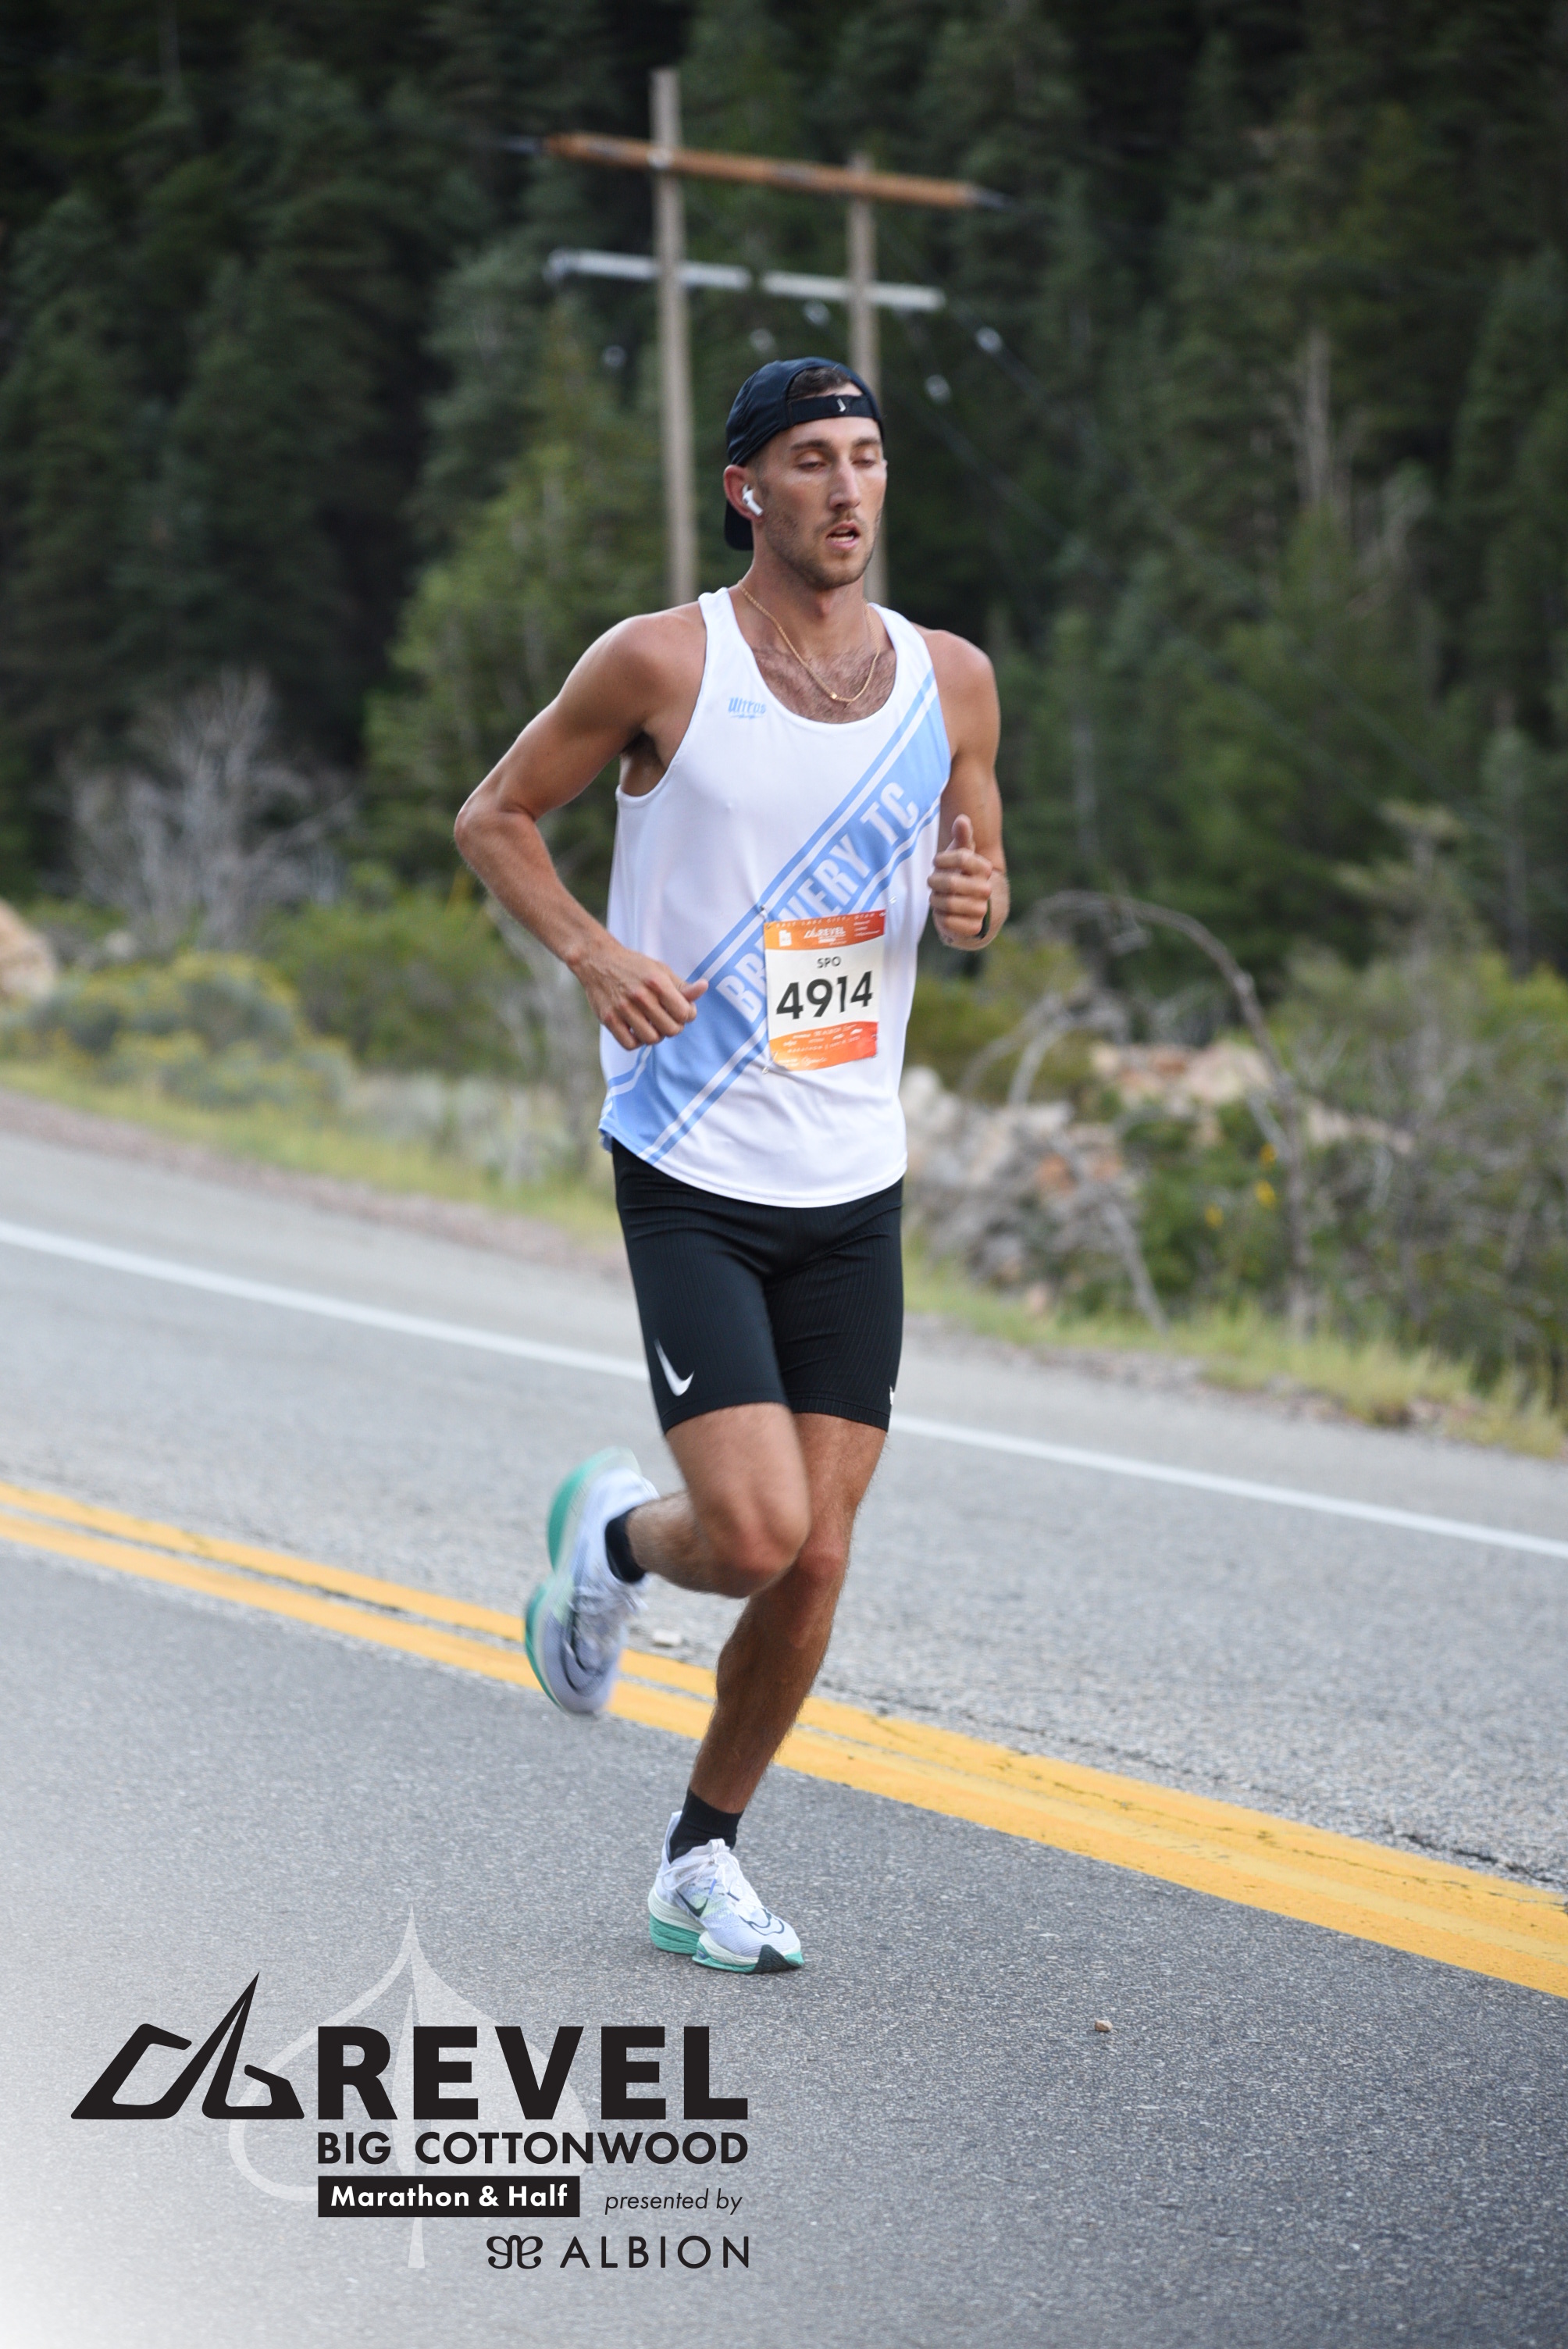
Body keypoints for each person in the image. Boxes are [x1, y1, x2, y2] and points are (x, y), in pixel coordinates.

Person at [454, 356, 1006, 1973]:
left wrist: (979, 908)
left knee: (819, 1555)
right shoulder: (662, 661)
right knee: (756, 1536)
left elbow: (975, 876)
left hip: (853, 1175)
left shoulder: (951, 680)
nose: (846, 487)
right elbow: (495, 816)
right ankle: (618, 1540)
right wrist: (592, 952)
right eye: (811, 458)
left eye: (867, 456)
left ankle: (700, 1857)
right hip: (693, 1161)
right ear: (745, 488)